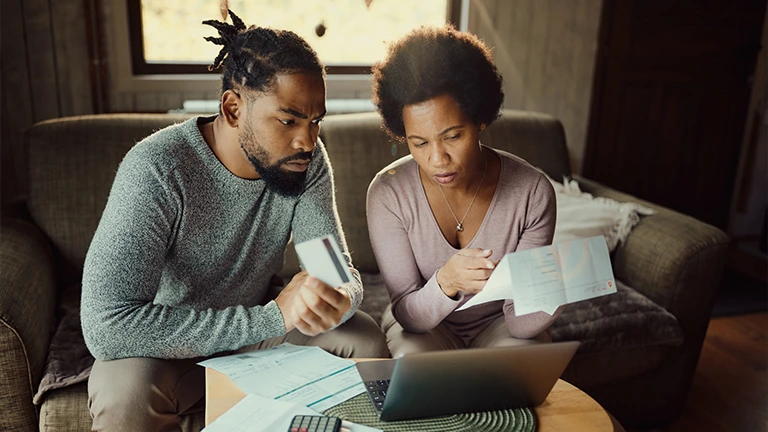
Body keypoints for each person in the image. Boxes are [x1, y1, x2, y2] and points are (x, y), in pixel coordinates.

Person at [81, 10, 388, 431]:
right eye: (288, 120)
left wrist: (336, 294)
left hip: (258, 340)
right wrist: (272, 318)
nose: (308, 140)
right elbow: (107, 326)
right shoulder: (157, 169)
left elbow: (334, 269)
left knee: (363, 338)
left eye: (316, 121)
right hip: (168, 348)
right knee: (125, 393)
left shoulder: (305, 164)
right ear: (232, 108)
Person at [367, 26, 563, 358]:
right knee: (414, 368)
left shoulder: (532, 193)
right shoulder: (389, 194)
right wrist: (447, 282)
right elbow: (408, 313)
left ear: (480, 120)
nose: (437, 159)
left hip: (500, 324)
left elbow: (520, 323)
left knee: (517, 371)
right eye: (419, 143)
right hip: (426, 325)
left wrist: (553, 293)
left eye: (453, 136)